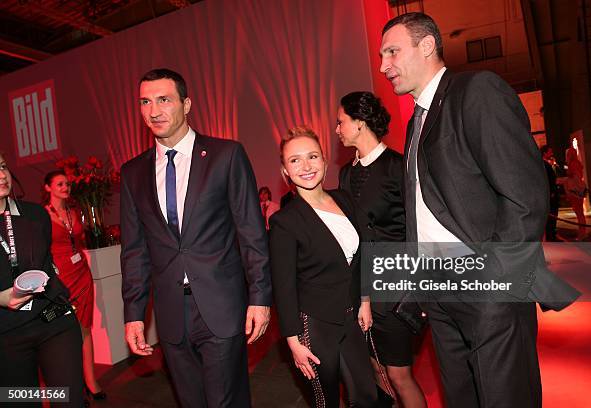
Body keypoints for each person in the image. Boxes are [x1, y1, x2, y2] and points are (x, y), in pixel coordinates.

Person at [379, 12, 580, 408]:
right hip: (439, 290)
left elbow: (525, 196)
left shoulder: (476, 91)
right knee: (462, 398)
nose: (384, 65)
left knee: (506, 397)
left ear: (426, 46)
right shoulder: (416, 120)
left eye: (392, 51)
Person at [120, 68, 272, 407]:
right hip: (172, 313)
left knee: (225, 401)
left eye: (164, 100)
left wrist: (260, 298)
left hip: (221, 305)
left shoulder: (226, 155)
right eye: (145, 102)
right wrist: (133, 313)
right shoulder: (132, 174)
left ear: (186, 104)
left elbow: (251, 232)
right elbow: (134, 251)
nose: (154, 111)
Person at [269, 126, 379, 407]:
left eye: (312, 156)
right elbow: (283, 287)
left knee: (366, 395)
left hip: (352, 316)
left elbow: (362, 255)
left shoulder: (343, 199)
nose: (306, 166)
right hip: (313, 326)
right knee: (325, 400)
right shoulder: (285, 222)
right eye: (295, 160)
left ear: (325, 160)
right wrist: (293, 342)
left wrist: (365, 300)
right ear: (285, 170)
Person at [336, 91, 426, 407]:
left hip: (395, 288)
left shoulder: (397, 167)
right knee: (374, 370)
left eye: (341, 122)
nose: (337, 130)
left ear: (360, 123)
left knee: (400, 375)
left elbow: (418, 232)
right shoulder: (346, 173)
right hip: (359, 291)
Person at [0, 153, 84, 408]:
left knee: (67, 400)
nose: (2, 175)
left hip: (53, 322)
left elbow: (47, 265)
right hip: (6, 336)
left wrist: (64, 298)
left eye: (2, 166)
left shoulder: (35, 214)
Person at [43, 170, 105, 400]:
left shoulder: (74, 211)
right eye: (59, 184)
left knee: (85, 329)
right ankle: (74, 387)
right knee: (66, 334)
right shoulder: (41, 215)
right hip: (61, 278)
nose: (65, 187)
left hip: (82, 274)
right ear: (48, 188)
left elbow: (78, 241)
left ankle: (91, 380)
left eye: (67, 184)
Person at [563, 147, 588, 241]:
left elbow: (572, 176)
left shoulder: (573, 164)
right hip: (580, 190)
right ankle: (582, 232)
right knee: (580, 213)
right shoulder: (577, 163)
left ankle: (582, 234)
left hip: (576, 191)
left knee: (579, 213)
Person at [540, 145, 560, 241]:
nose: (552, 153)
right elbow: (549, 180)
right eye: (550, 152)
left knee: (553, 216)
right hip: (550, 194)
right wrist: (551, 192)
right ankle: (550, 235)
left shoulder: (549, 163)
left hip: (551, 193)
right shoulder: (544, 164)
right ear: (545, 153)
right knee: (551, 215)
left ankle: (551, 234)